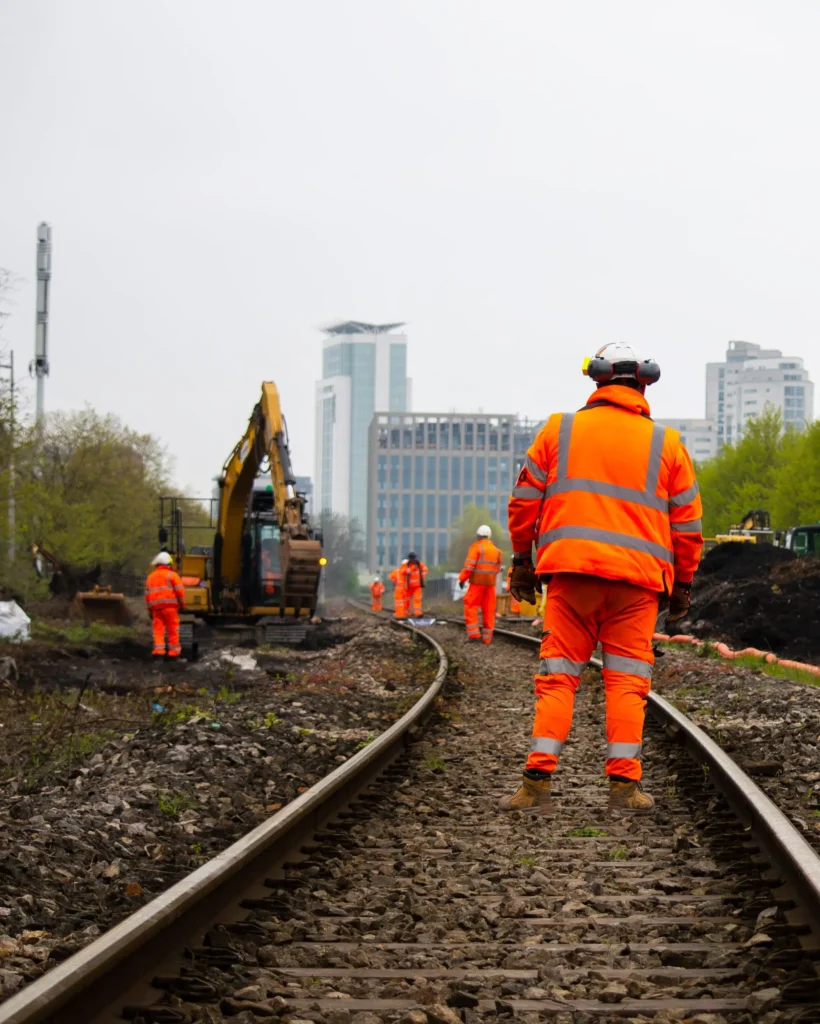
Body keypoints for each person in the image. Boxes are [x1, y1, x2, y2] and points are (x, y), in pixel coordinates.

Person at [501, 343, 703, 814]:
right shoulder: (667, 444)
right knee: (627, 681)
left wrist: (521, 560)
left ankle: (536, 784)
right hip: (637, 587)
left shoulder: (559, 429)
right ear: (644, 384)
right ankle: (623, 789)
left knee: (558, 677)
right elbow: (688, 526)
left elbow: (523, 501)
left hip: (571, 578)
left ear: (596, 380)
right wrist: (684, 585)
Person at [459, 525, 503, 643]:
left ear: (478, 536)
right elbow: (498, 569)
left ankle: (474, 635)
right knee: (489, 609)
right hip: (490, 584)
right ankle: (487, 639)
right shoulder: (497, 551)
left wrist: (462, 579)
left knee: (471, 606)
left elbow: (469, 567)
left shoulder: (476, 548)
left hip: (477, 583)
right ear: (489, 536)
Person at [145, 552, 186, 660]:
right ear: (168, 563)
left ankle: (159, 653)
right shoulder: (172, 575)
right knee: (173, 630)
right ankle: (173, 654)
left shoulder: (150, 577)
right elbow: (180, 592)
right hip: (170, 608)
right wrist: (182, 605)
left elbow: (148, 595)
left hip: (156, 609)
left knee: (158, 631)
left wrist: (150, 610)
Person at [400, 551, 428, 618]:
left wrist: (421, 576)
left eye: (414, 559)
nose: (413, 560)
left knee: (417, 599)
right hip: (409, 586)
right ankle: (406, 612)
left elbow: (425, 569)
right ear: (409, 559)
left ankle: (418, 613)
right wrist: (410, 569)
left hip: (417, 586)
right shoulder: (406, 565)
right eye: (412, 559)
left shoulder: (419, 564)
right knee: (407, 599)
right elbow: (402, 571)